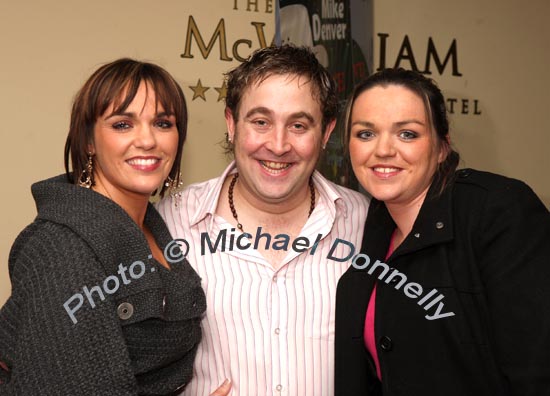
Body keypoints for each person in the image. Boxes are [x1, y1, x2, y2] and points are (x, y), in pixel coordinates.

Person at [0, 59, 231, 395]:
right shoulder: (62, 246)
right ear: (88, 141)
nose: (148, 140)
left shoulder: (157, 226)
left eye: (163, 123)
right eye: (123, 124)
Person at [156, 45, 370, 395]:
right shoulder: (171, 221)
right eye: (260, 122)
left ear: (327, 132)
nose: (279, 144)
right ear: (231, 123)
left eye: (299, 125)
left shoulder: (365, 223)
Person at [334, 68, 550, 395]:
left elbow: (537, 370)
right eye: (366, 133)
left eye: (407, 133)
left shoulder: (497, 211)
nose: (383, 150)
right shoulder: (367, 226)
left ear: (442, 147)